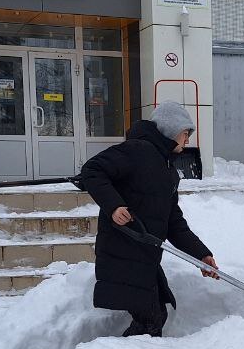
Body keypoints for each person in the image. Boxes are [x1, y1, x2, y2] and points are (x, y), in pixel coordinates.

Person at [77, 102, 219, 337]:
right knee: (150, 320)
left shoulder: (168, 172)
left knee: (154, 318)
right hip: (123, 253)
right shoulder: (136, 151)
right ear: (172, 130)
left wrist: (201, 255)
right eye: (186, 133)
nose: (187, 140)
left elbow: (174, 223)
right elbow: (92, 170)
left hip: (144, 258)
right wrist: (114, 206)